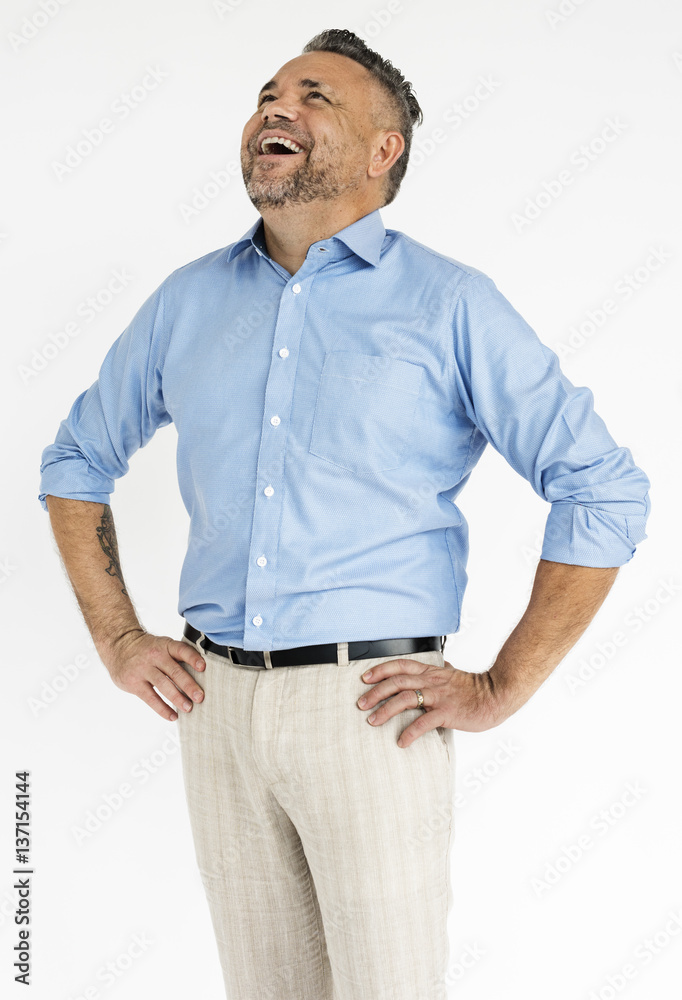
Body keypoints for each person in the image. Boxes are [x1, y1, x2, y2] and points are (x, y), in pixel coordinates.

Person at [38, 26, 650, 1000]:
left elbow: (602, 487)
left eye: (313, 94)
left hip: (372, 709)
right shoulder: (188, 302)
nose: (276, 106)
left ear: (382, 149)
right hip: (216, 706)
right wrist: (117, 637)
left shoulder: (451, 304)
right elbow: (76, 461)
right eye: (268, 92)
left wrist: (499, 687)